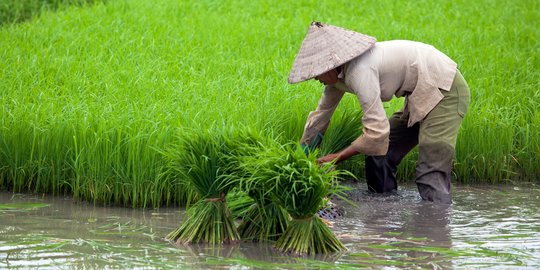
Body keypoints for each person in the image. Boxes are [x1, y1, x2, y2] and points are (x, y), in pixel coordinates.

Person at [289, 22, 470, 204]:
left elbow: (377, 132)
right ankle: (384, 213)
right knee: (381, 155)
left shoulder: (360, 71)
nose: (314, 78)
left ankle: (436, 223)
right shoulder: (336, 78)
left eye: (316, 72)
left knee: (430, 172)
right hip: (420, 93)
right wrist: (301, 157)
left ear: (330, 65)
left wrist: (336, 158)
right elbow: (321, 116)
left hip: (445, 89)